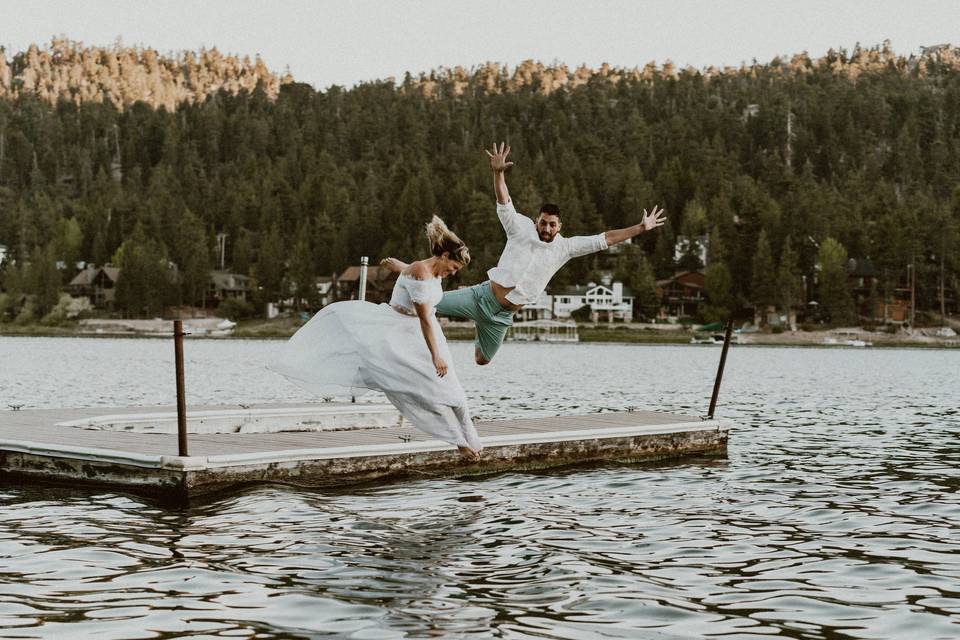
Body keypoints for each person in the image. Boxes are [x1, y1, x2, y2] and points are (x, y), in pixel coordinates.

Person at [384, 142, 667, 365]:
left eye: (551, 224)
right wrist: (498, 172)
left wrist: (641, 228)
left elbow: (605, 239)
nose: (546, 228)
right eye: (542, 222)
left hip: (502, 317)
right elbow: (504, 200)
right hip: (480, 297)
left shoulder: (565, 248)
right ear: (536, 220)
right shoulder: (520, 227)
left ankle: (479, 330)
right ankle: (409, 270)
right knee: (427, 302)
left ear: (560, 227)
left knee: (482, 360)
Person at [270, 216, 482, 460]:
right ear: (444, 256)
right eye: (453, 267)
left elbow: (415, 276)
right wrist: (435, 357)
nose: (452, 273)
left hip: (426, 333)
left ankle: (473, 440)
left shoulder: (427, 272)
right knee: (430, 395)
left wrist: (398, 267)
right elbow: (422, 310)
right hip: (401, 336)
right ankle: (459, 443)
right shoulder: (421, 272)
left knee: (455, 394)